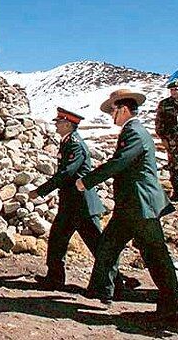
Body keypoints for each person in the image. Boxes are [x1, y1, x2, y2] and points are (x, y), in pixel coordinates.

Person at [76, 88, 178, 320]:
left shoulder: (134, 132)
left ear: (123, 109)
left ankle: (171, 303)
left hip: (140, 204)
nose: (110, 116)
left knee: (154, 254)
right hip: (130, 205)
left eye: (112, 111)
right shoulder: (133, 130)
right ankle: (103, 290)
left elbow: (119, 162)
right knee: (107, 246)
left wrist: (87, 181)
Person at [30, 108, 111, 290]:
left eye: (59, 122)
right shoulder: (67, 142)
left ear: (67, 124)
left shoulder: (75, 144)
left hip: (82, 205)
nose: (56, 125)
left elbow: (66, 173)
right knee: (57, 240)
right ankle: (55, 279)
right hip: (71, 204)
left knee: (97, 245)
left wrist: (41, 191)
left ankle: (117, 282)